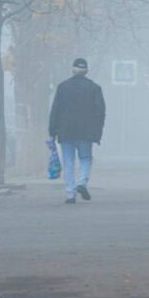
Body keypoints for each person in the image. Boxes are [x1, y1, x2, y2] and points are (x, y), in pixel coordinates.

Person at [49, 57, 106, 204]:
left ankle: (70, 194)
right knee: (86, 158)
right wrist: (97, 131)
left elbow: (56, 110)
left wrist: (52, 130)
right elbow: (100, 112)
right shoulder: (94, 88)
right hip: (86, 132)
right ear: (86, 71)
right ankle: (82, 182)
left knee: (68, 162)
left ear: (73, 70)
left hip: (66, 131)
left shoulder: (63, 87)